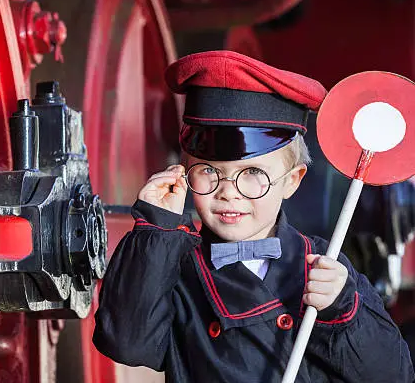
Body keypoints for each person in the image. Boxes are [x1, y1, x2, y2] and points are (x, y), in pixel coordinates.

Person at [92, 50, 414, 382]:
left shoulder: (324, 266)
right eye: (208, 170)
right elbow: (126, 344)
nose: (228, 191)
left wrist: (343, 310)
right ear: (183, 173)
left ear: (292, 180)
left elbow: (394, 375)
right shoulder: (174, 267)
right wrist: (155, 230)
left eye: (252, 173)